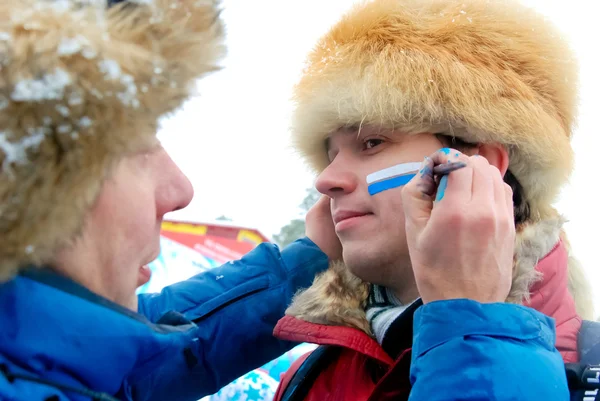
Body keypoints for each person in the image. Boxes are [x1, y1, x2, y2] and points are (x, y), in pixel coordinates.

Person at [0, 1, 342, 400]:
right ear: (24, 183)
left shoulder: (44, 362)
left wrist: (314, 262)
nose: (180, 190)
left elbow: (154, 347)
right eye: (138, 144)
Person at [271, 0, 596, 400]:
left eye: (372, 143)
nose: (325, 180)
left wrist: (471, 324)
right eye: (331, 155)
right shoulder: (304, 381)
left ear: (478, 166)